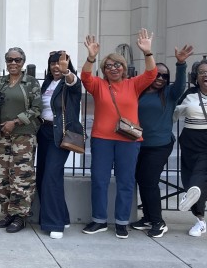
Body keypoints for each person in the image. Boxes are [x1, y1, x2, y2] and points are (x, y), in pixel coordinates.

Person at [81, 29, 157, 238]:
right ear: (104, 70)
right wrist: (91, 57)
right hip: (102, 139)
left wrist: (147, 53)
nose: (113, 68)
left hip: (129, 141)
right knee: (99, 180)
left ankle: (122, 221)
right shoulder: (99, 85)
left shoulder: (133, 84)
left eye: (118, 65)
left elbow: (152, 74)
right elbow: (85, 76)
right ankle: (99, 220)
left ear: (124, 68)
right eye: (109, 66)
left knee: (125, 181)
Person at [130, 46, 193, 238]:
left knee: (149, 181)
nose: (160, 78)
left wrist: (180, 63)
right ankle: (148, 218)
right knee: (142, 180)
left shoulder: (170, 94)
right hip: (138, 143)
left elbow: (181, 84)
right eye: (157, 74)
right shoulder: (139, 92)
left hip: (159, 146)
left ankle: (159, 221)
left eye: (164, 76)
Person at [0, 47, 42, 233]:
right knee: (3, 175)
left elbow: (37, 108)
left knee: (21, 176)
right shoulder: (0, 82)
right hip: (2, 135)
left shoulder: (30, 82)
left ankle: (20, 215)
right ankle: (8, 213)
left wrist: (15, 121)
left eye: (17, 60)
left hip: (24, 134)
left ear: (23, 62)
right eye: (10, 60)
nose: (13, 63)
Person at [36, 51, 83, 239]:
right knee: (42, 176)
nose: (56, 66)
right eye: (53, 63)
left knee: (51, 176)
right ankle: (62, 217)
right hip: (44, 133)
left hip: (61, 135)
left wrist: (67, 73)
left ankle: (54, 224)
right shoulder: (47, 83)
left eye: (60, 63)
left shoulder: (68, 82)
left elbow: (74, 83)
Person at [174, 57, 207, 237]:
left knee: (199, 174)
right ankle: (200, 221)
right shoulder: (189, 95)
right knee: (191, 179)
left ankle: (191, 192)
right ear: (196, 76)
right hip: (190, 140)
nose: (205, 75)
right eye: (202, 72)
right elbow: (174, 113)